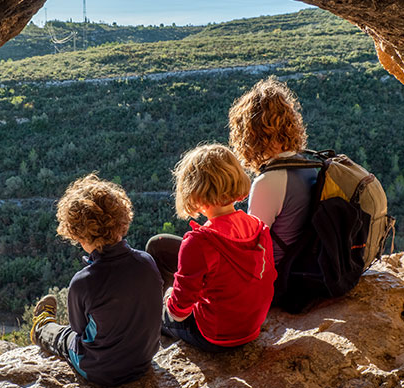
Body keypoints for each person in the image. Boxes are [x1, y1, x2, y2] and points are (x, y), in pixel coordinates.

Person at [29, 173, 163, 386]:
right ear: (122, 220)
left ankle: (42, 326)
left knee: (65, 338)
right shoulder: (147, 262)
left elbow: (78, 330)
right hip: (144, 359)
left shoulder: (83, 282)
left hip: (99, 371)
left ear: (78, 236)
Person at [146, 144, 277, 352]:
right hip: (251, 327)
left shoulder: (198, 243)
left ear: (193, 193)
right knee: (159, 244)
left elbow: (178, 312)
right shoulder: (258, 227)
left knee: (154, 310)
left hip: (214, 336)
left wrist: (169, 297)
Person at [228, 77, 317, 267]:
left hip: (274, 281)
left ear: (250, 134)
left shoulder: (267, 182)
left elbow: (252, 248)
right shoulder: (307, 166)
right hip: (298, 270)